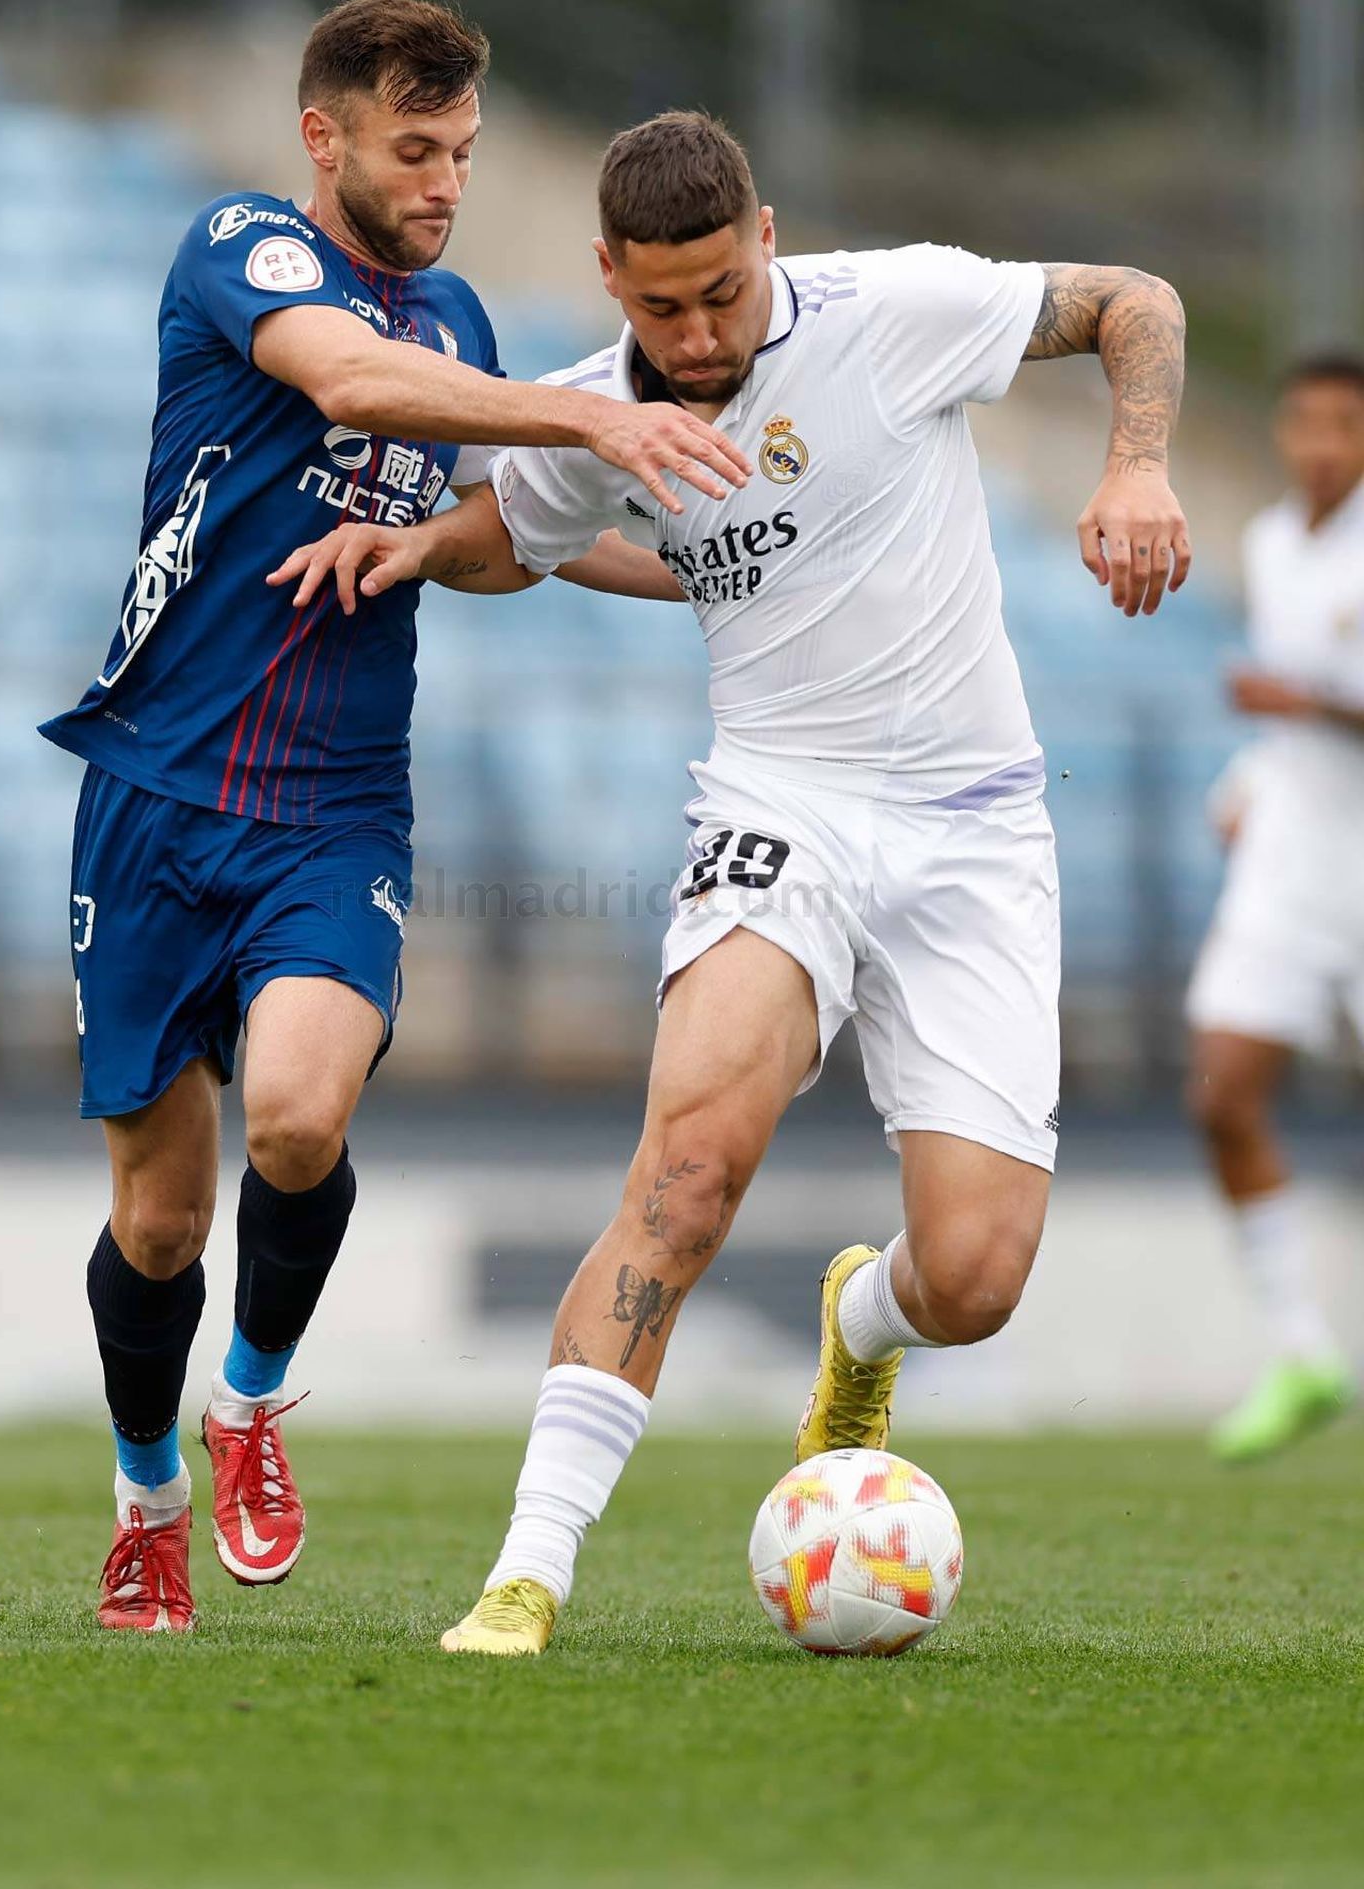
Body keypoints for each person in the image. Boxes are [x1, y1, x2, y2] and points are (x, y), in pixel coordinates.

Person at [277, 110, 1192, 1656]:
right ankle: (529, 1573)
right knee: (686, 1176)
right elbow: (529, 532)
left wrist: (1141, 464)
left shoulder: (890, 312)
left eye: (721, 294)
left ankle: (861, 1324)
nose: (696, 337)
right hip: (783, 806)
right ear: (607, 278)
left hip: (975, 827)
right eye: (659, 307)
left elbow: (1134, 302)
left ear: (765, 237)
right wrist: (429, 547)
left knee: (972, 1278)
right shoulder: (589, 408)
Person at [39, 1, 748, 1633]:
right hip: (152, 800)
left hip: (332, 812)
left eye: (466, 154)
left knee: (296, 1116)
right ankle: (148, 1495)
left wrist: (722, 571)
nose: (444, 183)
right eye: (416, 151)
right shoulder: (240, 252)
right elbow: (355, 383)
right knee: (158, 1216)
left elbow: (512, 535)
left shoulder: (463, 316)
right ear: (327, 139)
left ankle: (253, 1402)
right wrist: (592, 410)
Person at [1184, 355, 1364, 1462]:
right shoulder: (1266, 543)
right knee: (1220, 1095)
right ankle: (1303, 1351)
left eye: (1341, 424)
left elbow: (1292, 698)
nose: (1318, 443)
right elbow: (1279, 730)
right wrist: (1244, 786)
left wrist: (1293, 699)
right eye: (1301, 422)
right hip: (1292, 862)